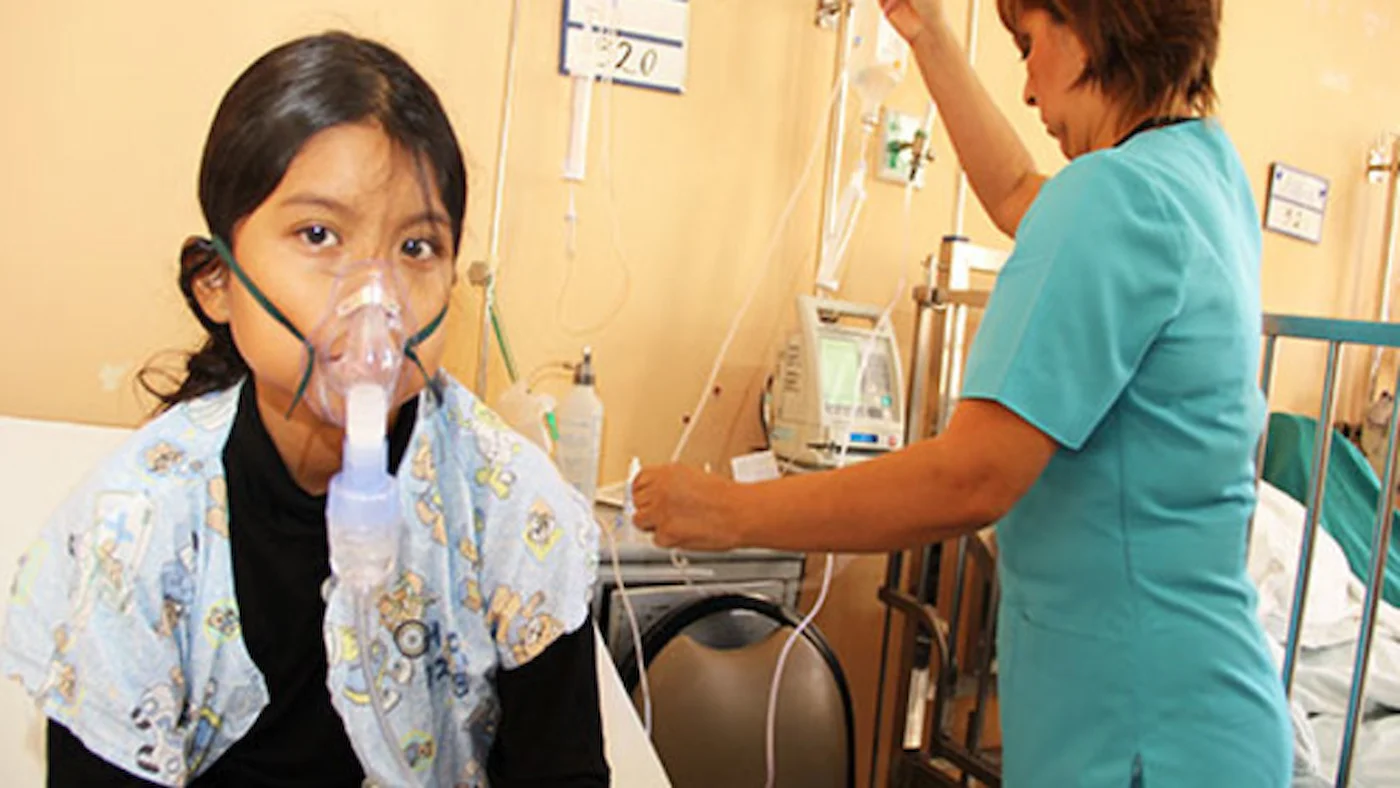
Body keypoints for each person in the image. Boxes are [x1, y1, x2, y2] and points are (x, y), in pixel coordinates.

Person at [634, 0, 1292, 784]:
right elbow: (1015, 192)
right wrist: (930, 39)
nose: (1028, 88)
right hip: (1208, 720)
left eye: (1029, 44)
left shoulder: (1113, 196)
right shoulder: (1202, 173)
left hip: (1141, 737)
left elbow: (971, 477)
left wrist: (730, 512)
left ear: (1091, 26)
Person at [2, 32, 608, 787]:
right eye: (318, 235)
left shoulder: (512, 509)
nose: (375, 299)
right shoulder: (132, 536)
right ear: (217, 281)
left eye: (417, 247)